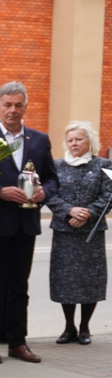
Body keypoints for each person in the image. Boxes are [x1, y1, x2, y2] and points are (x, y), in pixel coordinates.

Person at [0, 81, 59, 364]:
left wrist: (43, 192)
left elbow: (52, 178)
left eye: (18, 105)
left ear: (25, 107)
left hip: (25, 223)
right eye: (7, 105)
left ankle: (17, 342)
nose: (13, 110)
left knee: (19, 285)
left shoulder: (38, 139)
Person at [45, 121, 111, 345]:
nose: (74, 144)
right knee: (65, 281)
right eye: (70, 140)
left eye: (79, 139)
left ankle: (84, 328)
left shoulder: (104, 165)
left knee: (90, 281)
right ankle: (69, 327)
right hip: (65, 231)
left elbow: (108, 196)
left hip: (91, 233)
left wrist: (88, 213)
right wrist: (68, 211)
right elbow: (49, 194)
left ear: (89, 141)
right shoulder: (56, 166)